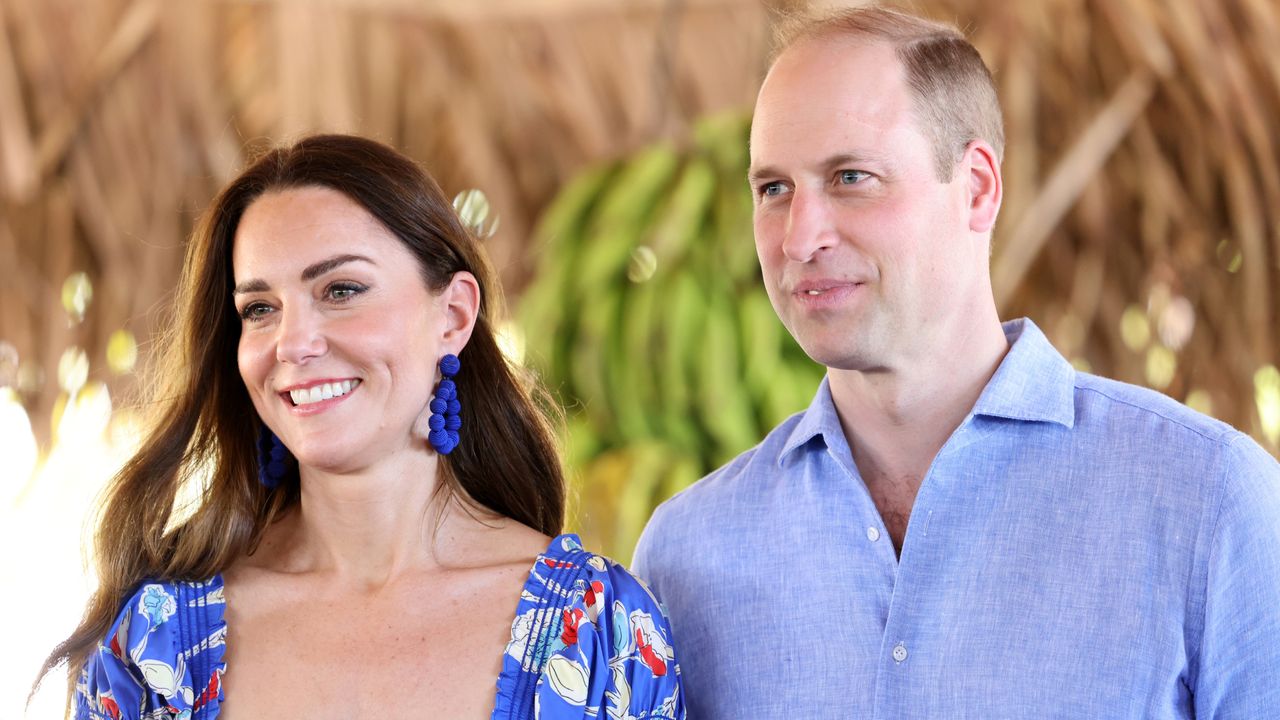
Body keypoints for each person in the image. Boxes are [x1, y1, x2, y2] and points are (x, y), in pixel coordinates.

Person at [632, 6, 1280, 718]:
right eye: (773, 189)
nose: (798, 238)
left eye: (851, 177)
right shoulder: (684, 558)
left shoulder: (1209, 500)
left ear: (976, 187)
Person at [39, 135, 684, 719]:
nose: (292, 343)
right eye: (259, 309)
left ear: (453, 316)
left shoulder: (604, 634)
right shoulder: (158, 647)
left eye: (341, 290)